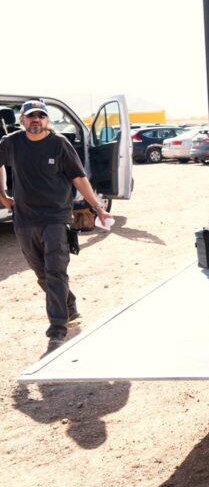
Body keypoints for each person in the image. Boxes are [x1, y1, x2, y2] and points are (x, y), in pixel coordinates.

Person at [0, 100, 113, 350]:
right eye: (31, 117)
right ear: (22, 120)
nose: (35, 120)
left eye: (41, 116)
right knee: (42, 274)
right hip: (24, 220)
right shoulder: (11, 143)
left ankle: (58, 328)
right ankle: (69, 307)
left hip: (55, 218)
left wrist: (98, 208)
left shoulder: (59, 144)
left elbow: (79, 177)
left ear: (47, 120)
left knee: (55, 272)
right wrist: (3, 196)